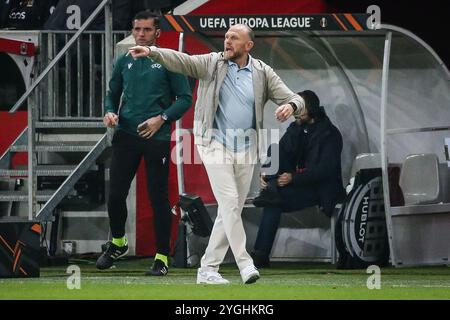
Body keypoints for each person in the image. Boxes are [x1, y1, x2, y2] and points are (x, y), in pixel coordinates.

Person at [128, 24, 304, 284]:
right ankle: (245, 264)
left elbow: (296, 99)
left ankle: (207, 269)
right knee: (231, 202)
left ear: (248, 46)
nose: (227, 41)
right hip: (214, 143)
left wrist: (290, 106)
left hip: (246, 147)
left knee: (229, 210)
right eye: (226, 37)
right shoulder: (212, 63)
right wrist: (154, 51)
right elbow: (183, 61)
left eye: (234, 38)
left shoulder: (262, 72)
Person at [95, 11, 193, 276]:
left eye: (147, 30)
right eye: (137, 29)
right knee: (115, 195)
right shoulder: (124, 59)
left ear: (157, 32)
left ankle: (161, 258)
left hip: (156, 137)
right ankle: (118, 242)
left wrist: (161, 119)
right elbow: (112, 93)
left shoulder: (169, 61)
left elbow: (185, 98)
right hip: (126, 134)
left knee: (158, 198)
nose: (141, 34)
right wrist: (109, 111)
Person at [251, 90, 346, 268]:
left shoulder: (329, 134)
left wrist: (293, 178)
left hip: (320, 190)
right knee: (274, 151)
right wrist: (266, 172)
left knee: (272, 200)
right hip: (299, 185)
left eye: (299, 108)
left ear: (311, 109)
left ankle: (259, 255)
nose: (295, 112)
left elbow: (325, 171)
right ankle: (260, 256)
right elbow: (280, 151)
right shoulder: (296, 128)